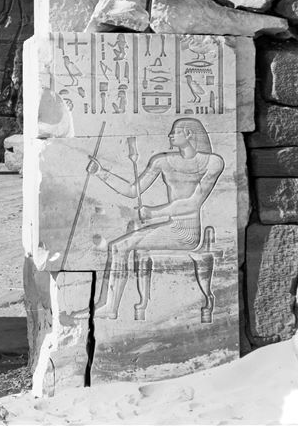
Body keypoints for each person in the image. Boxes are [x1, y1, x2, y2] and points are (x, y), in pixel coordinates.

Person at [79, 117, 224, 319]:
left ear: (189, 134)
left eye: (175, 131)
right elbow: (133, 190)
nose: (170, 135)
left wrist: (153, 213)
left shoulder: (213, 162)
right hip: (171, 227)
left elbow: (193, 203)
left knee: (119, 247)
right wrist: (101, 173)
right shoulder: (162, 161)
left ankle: (111, 308)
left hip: (188, 233)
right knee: (119, 246)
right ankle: (109, 306)